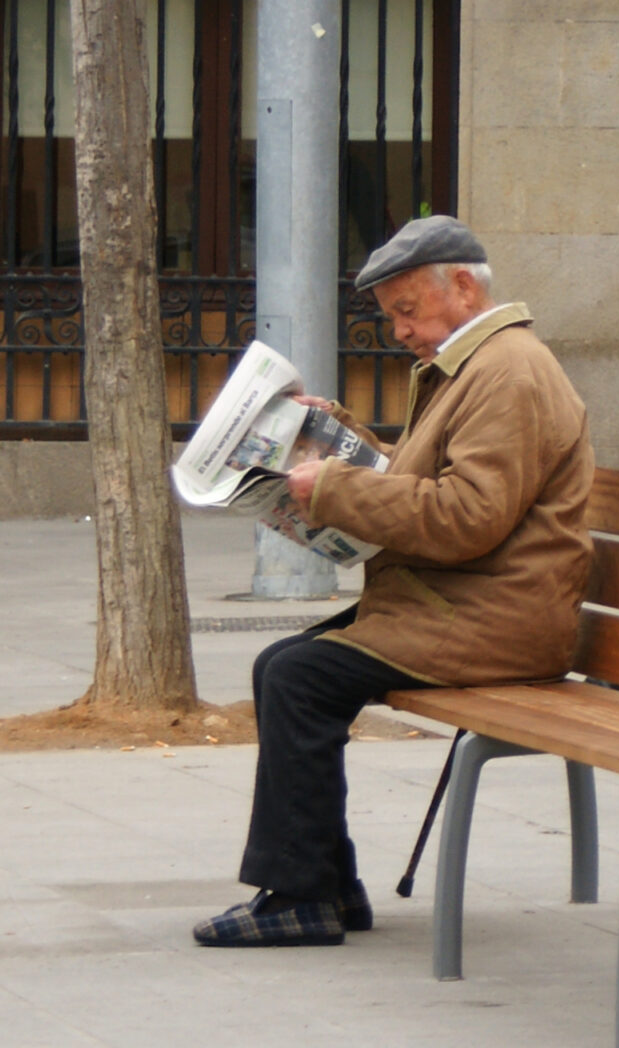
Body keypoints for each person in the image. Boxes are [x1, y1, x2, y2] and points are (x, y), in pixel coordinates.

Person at [193, 215, 596, 947]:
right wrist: (335, 437)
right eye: (393, 318)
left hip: (494, 619)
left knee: (298, 677)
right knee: (286, 667)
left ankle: (306, 895)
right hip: (456, 604)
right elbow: (422, 483)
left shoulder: (508, 372)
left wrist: (337, 488)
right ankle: (324, 888)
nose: (400, 332)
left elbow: (468, 516)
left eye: (407, 311)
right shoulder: (476, 365)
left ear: (464, 286)